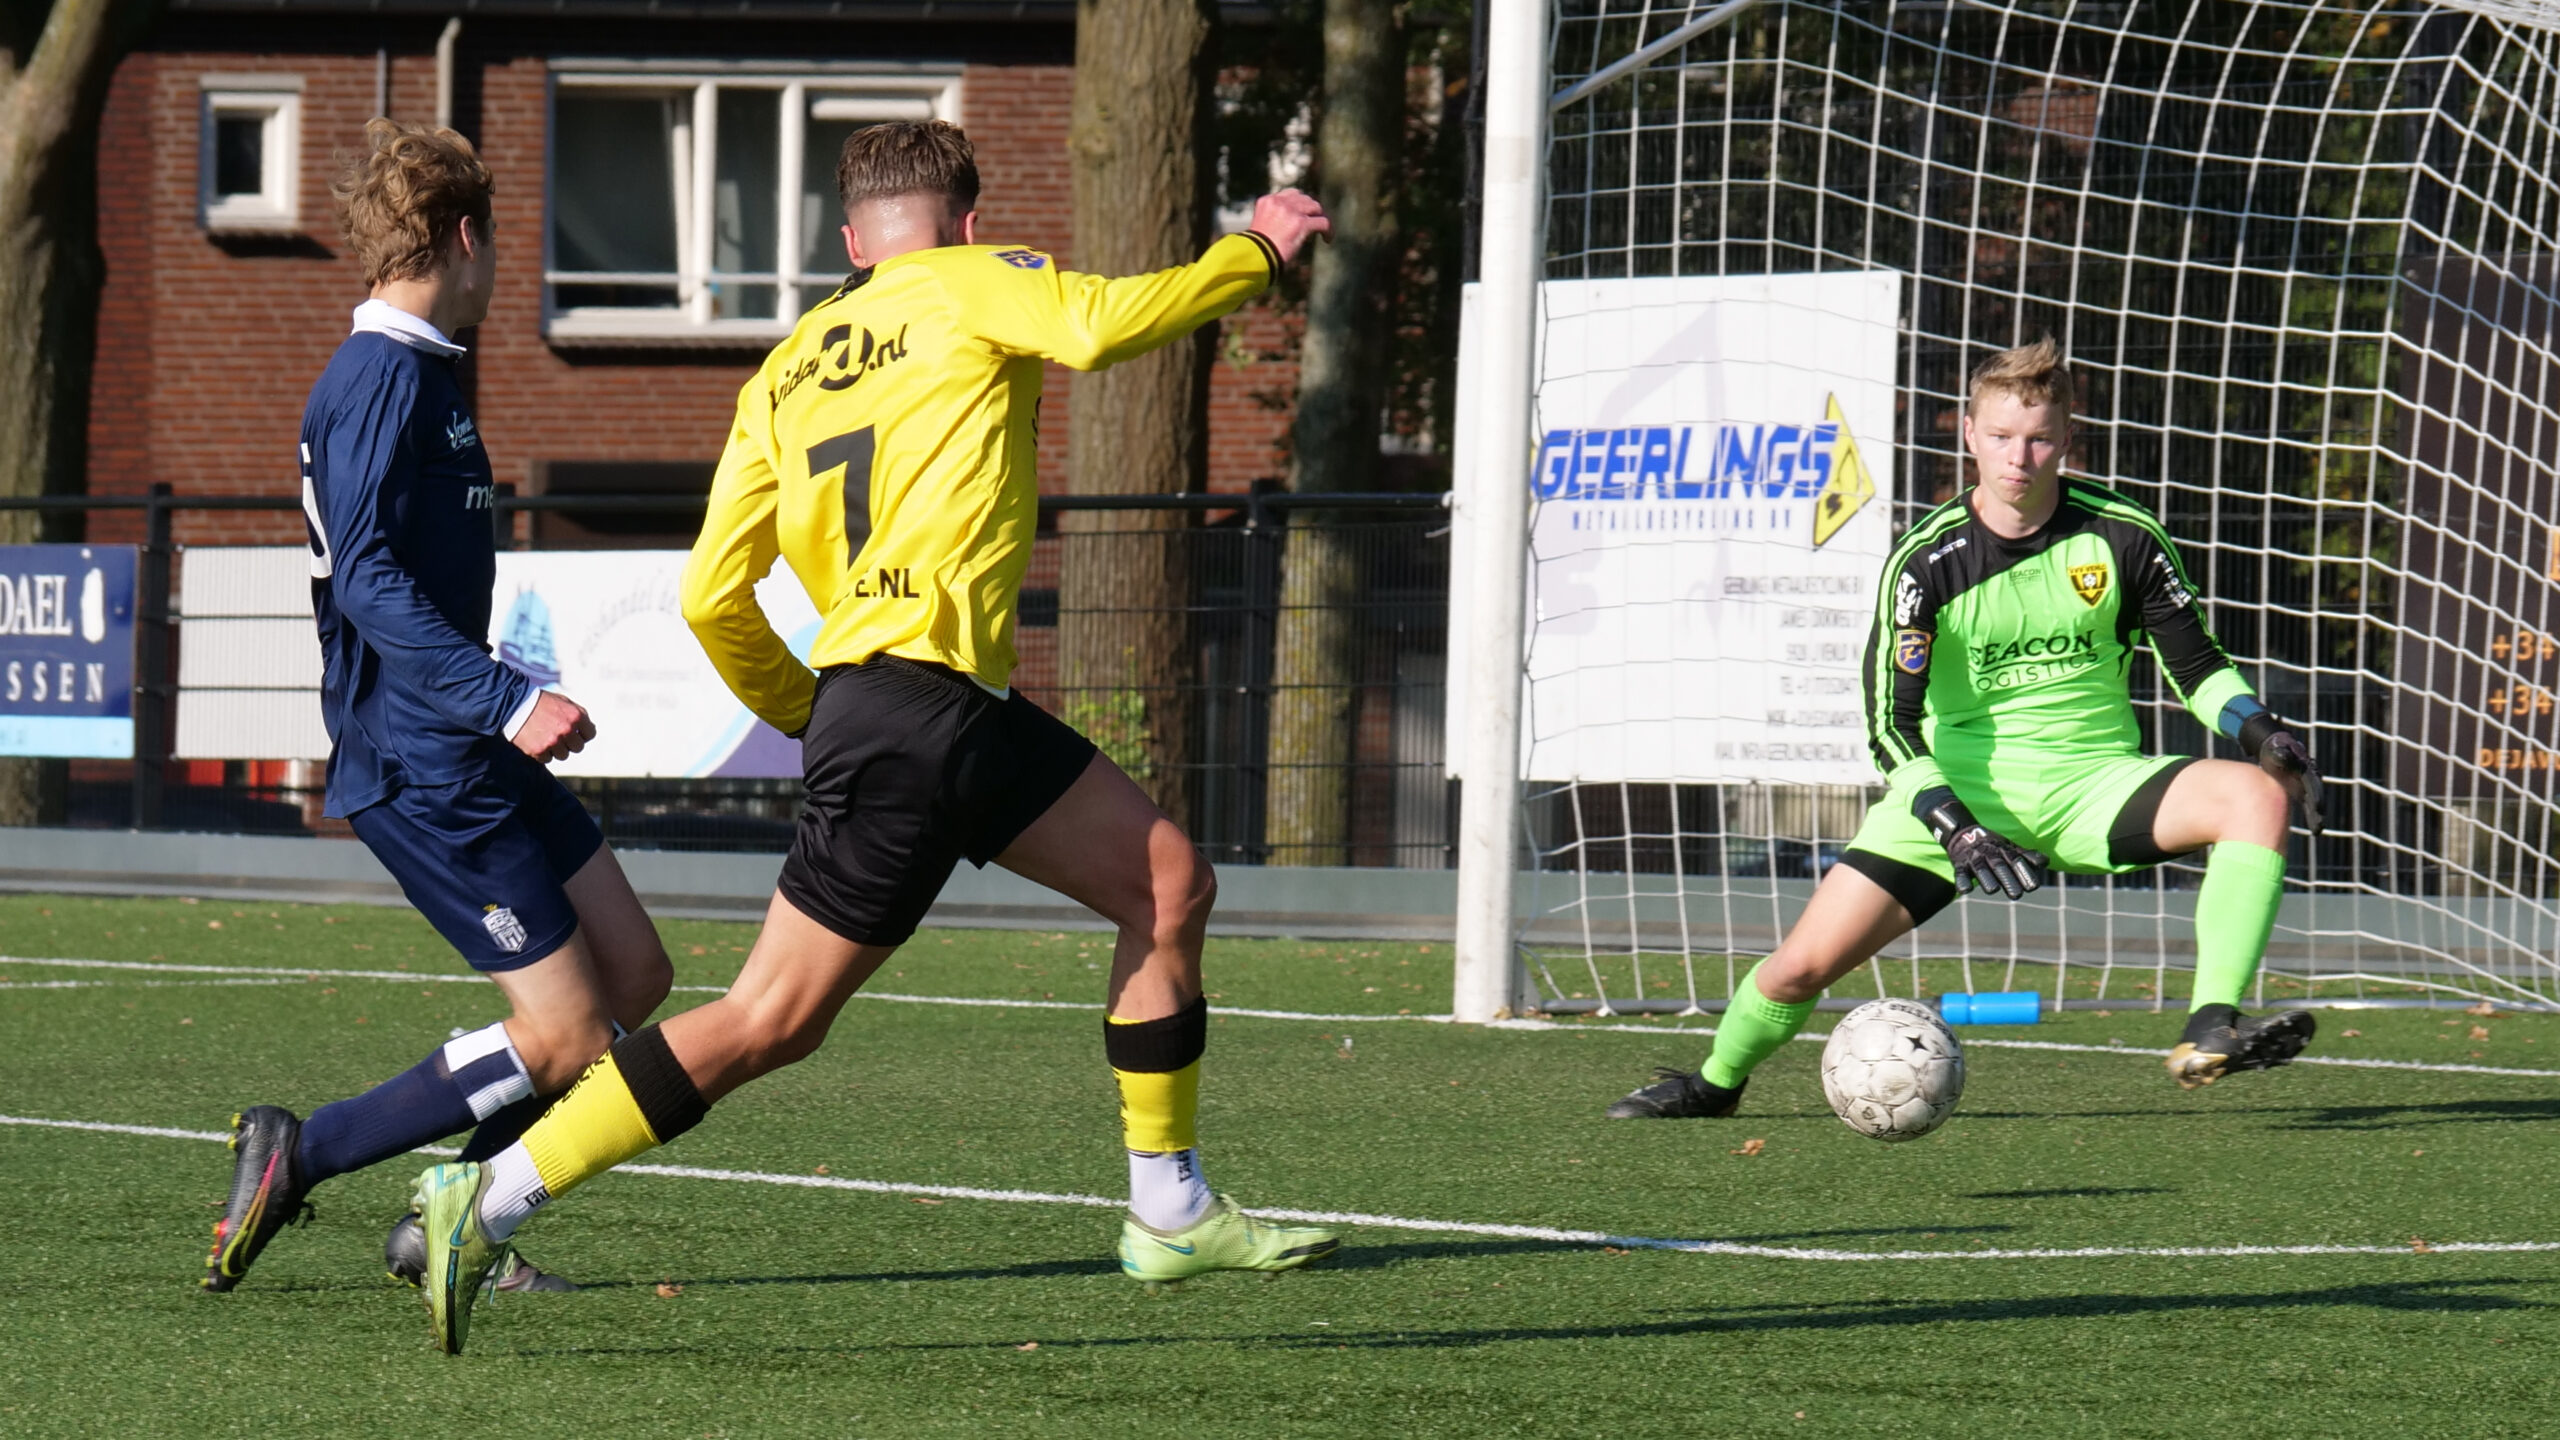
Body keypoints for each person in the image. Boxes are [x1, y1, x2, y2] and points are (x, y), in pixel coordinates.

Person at [404, 119, 1339, 1353]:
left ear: (851, 242)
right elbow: (1106, 325)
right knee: (767, 1020)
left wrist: (813, 712)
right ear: (962, 224)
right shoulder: (977, 282)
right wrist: (1255, 256)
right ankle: (494, 1189)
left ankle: (1167, 1208)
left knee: (1168, 885)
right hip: (923, 709)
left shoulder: (783, 370)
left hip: (909, 705)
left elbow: (708, 598)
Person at [1607, 336, 2328, 1120]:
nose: (2020, 457)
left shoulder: (2124, 535)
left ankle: (2210, 1026)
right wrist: (1953, 824)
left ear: (2066, 440)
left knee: (2257, 797)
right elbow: (1891, 725)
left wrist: (2260, 731)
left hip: (2093, 785)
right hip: (1955, 800)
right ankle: (1714, 1085)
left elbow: (2198, 668)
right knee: (1796, 972)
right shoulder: (1926, 562)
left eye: (2040, 437)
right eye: (2002, 437)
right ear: (1970, 437)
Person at [202, 119, 672, 1295]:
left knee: (635, 977)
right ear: (467, 237)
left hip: (468, 738)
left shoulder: (424, 368)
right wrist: (506, 697)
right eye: (498, 239)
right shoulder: (376, 380)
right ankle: (311, 1155)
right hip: (422, 756)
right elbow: (362, 576)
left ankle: (436, 1222)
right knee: (567, 1033)